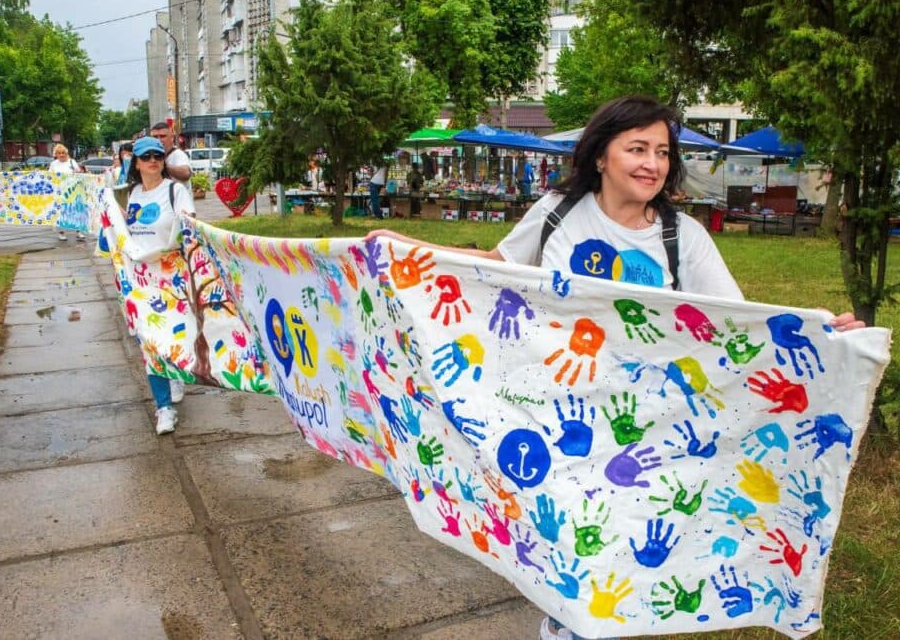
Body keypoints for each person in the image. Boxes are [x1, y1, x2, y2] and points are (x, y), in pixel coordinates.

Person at [368, 95, 862, 640]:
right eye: (638, 149)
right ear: (601, 155)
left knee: (620, 545)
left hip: (646, 427)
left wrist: (823, 333)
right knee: (571, 545)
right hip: (561, 418)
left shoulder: (682, 237)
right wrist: (404, 246)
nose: (653, 164)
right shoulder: (557, 213)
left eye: (663, 152)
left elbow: (742, 326)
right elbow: (492, 267)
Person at [125, 136, 196, 435]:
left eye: (158, 155)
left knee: (175, 335)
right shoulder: (133, 193)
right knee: (148, 341)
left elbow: (190, 226)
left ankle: (175, 371)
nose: (153, 160)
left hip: (172, 276)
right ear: (136, 163)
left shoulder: (174, 190)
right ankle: (164, 408)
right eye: (146, 157)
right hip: (140, 279)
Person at [50, 144, 85, 241]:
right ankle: (61, 232)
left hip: (73, 190)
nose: (61, 155)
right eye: (59, 153)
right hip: (60, 191)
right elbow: (50, 176)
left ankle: (79, 231)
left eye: (63, 153)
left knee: (76, 210)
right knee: (61, 212)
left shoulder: (72, 162)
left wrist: (79, 172)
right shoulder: (53, 164)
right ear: (56, 154)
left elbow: (79, 173)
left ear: (66, 153)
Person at [149, 121, 192, 189]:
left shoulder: (177, 154)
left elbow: (186, 174)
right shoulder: (152, 156)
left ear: (172, 138)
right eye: (155, 137)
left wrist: (163, 166)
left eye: (163, 136)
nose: (158, 140)